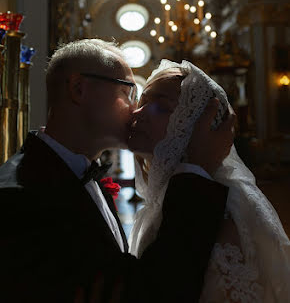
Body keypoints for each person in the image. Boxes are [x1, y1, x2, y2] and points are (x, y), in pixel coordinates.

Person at [0, 39, 235, 303]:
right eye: (129, 93)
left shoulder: (84, 173)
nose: (136, 110)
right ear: (79, 89)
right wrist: (198, 170)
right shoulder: (19, 199)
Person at [128, 59, 290, 302]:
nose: (137, 114)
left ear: (195, 126)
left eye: (160, 107)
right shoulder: (172, 197)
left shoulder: (223, 218)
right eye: (142, 103)